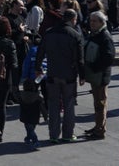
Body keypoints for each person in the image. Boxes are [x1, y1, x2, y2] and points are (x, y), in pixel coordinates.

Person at [35, 8, 84, 143]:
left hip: (52, 73)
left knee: (53, 105)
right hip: (69, 75)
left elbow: (40, 51)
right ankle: (68, 134)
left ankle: (54, 135)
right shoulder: (75, 35)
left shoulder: (49, 32)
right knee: (68, 105)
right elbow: (80, 59)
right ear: (73, 19)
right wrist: (82, 75)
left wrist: (38, 67)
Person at [82, 10, 115, 140]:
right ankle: (98, 126)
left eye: (94, 21)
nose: (92, 23)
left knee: (100, 103)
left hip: (100, 76)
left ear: (102, 22)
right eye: (91, 21)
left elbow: (109, 57)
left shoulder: (105, 36)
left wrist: (94, 67)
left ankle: (100, 130)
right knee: (98, 103)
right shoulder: (96, 34)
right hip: (96, 75)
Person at [19, 79, 43, 149]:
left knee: (30, 129)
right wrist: (45, 115)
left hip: (25, 116)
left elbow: (16, 96)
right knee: (31, 129)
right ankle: (27, 139)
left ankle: (35, 141)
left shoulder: (22, 96)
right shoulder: (38, 97)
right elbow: (42, 107)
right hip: (35, 116)